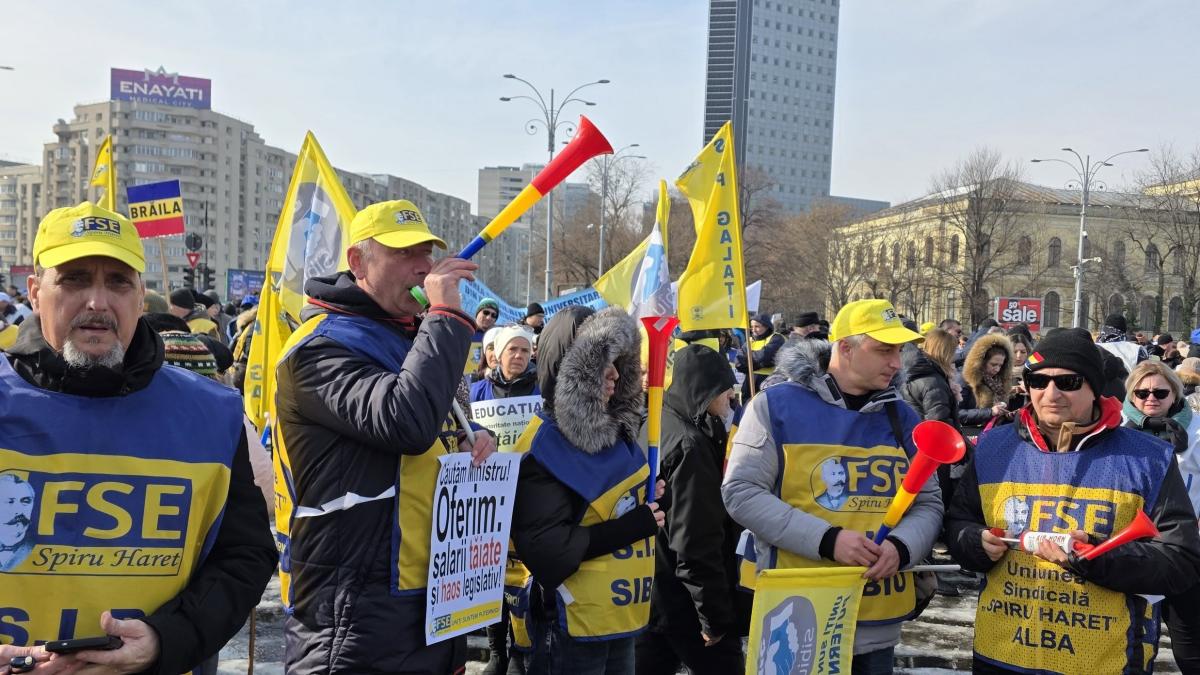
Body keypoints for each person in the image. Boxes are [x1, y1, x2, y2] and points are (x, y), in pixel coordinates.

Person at [0, 202, 276, 672]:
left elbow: (244, 556)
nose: (97, 302)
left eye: (118, 282)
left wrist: (165, 640)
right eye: (75, 280)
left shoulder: (211, 414)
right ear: (35, 292)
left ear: (140, 296)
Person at [272, 199, 497, 673]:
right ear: (358, 262)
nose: (423, 266)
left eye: (426, 252)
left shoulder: (410, 336)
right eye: (403, 253)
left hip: (432, 598)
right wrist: (445, 317)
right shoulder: (320, 346)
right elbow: (403, 420)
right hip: (355, 614)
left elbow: (430, 420)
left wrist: (468, 436)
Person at [944, 327, 1200, 674]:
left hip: (1104, 662)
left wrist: (1096, 557)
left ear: (1093, 387)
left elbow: (1181, 560)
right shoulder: (993, 448)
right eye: (1038, 381)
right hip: (1001, 655)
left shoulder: (1149, 457)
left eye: (1068, 382)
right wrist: (975, 543)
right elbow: (958, 522)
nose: (1051, 393)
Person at [723, 299, 943, 673]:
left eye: (899, 350)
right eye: (884, 350)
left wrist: (902, 547)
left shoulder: (903, 416)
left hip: (877, 620)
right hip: (797, 618)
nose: (897, 362)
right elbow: (741, 492)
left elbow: (928, 502)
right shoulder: (775, 405)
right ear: (845, 348)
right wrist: (828, 540)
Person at [510, 307, 665, 674]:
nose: (614, 373)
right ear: (570, 369)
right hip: (569, 627)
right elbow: (548, 550)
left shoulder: (615, 435)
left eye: (618, 361)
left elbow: (613, 509)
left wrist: (655, 500)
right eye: (601, 362)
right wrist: (633, 526)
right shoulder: (544, 446)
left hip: (617, 623)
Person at [636, 344, 746, 675]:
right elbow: (695, 541)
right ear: (703, 389)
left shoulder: (658, 423)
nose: (731, 395)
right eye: (725, 387)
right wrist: (714, 617)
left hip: (653, 594)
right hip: (686, 604)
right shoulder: (689, 446)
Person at [1121, 359, 1200, 672]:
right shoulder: (1117, 432)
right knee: (1132, 641)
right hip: (1134, 550)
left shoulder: (1195, 431)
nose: (1150, 398)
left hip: (1184, 549)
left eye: (1160, 392)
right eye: (1141, 393)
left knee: (1189, 644)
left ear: (1175, 394)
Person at [900, 328, 967, 510]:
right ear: (945, 352)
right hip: (932, 455)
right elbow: (938, 424)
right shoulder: (933, 381)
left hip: (915, 446)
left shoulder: (916, 374)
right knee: (935, 500)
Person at [957, 333, 1013, 437]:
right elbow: (957, 413)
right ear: (981, 362)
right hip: (970, 436)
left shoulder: (999, 381)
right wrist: (990, 412)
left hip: (992, 433)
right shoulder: (966, 380)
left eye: (1000, 365)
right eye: (993, 364)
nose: (997, 369)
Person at [472, 325, 538, 402]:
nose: (519, 355)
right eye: (512, 349)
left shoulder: (544, 389)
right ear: (499, 355)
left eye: (525, 350)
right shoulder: (477, 391)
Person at [736, 312, 786, 400]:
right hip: (749, 384)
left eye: (757, 326)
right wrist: (759, 363)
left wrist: (749, 363)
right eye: (752, 327)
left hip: (769, 382)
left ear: (766, 326)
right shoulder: (749, 341)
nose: (753, 330)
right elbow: (739, 362)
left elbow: (767, 357)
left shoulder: (776, 338)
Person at [467, 297, 501, 376]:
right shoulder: (465, 331)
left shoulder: (498, 337)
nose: (489, 317)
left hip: (486, 380)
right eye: (486, 312)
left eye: (493, 315)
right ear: (477, 313)